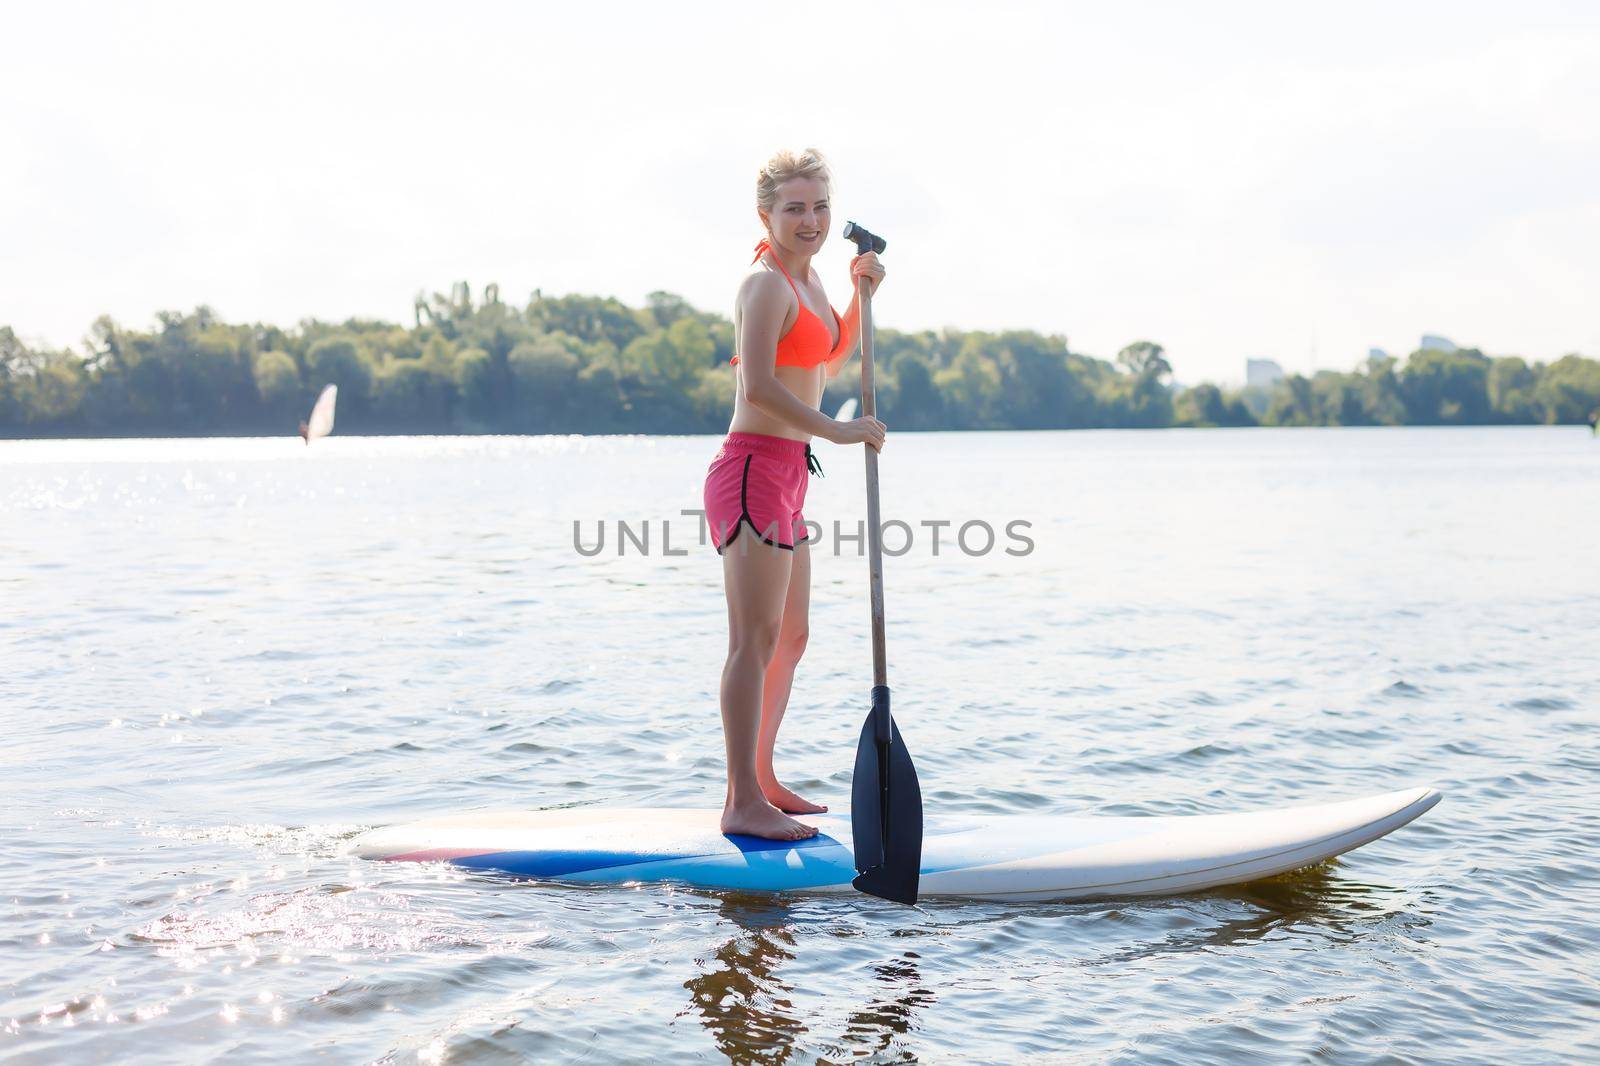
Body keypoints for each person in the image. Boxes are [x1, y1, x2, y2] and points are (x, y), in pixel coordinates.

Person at [702, 148, 887, 841]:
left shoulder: (808, 287)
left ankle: (764, 777)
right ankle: (739, 799)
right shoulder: (765, 285)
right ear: (766, 215)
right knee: (751, 640)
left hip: (788, 475)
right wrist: (836, 434)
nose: (809, 221)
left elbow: (826, 358)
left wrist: (861, 295)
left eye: (819, 208)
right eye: (793, 209)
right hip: (750, 470)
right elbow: (757, 387)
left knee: (792, 635)